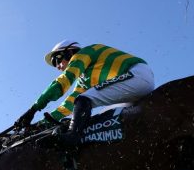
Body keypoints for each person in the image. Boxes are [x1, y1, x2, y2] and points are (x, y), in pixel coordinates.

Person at [15, 40, 155, 147]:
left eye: (57, 59)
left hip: (137, 74)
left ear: (69, 52)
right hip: (134, 86)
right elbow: (69, 105)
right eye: (54, 64)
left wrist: (33, 109)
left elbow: (64, 81)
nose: (57, 66)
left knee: (84, 99)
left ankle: (73, 137)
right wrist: (40, 125)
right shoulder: (86, 79)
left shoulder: (83, 53)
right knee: (88, 106)